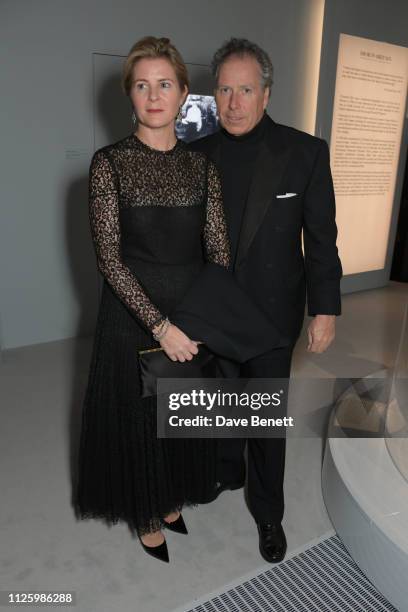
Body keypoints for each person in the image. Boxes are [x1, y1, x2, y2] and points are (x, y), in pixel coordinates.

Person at [74, 36, 231, 563]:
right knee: (138, 422)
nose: (154, 94)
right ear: (130, 96)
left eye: (165, 84)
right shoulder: (109, 164)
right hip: (132, 317)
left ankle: (168, 500)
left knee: (178, 417)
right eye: (142, 85)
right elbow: (110, 261)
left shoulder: (202, 168)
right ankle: (144, 510)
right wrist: (161, 327)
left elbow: (219, 252)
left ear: (184, 92)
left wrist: (200, 317)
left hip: (189, 316)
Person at [189, 38, 342, 563]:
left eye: (246, 90)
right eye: (225, 90)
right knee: (221, 401)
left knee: (264, 416)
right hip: (213, 312)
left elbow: (322, 239)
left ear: (266, 93)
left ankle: (269, 512)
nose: (234, 102)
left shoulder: (304, 152)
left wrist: (326, 310)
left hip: (273, 315)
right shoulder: (196, 155)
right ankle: (225, 472)